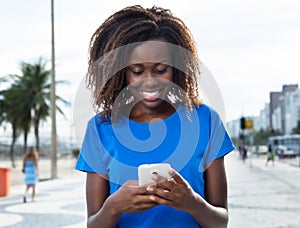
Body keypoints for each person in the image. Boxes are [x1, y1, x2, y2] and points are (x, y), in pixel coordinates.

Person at [75, 5, 235, 227]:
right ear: (122, 72)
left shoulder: (206, 121)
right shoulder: (101, 128)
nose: (149, 81)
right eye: (137, 71)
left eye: (161, 69)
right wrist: (115, 206)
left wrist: (191, 202)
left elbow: (220, 222)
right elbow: (93, 224)